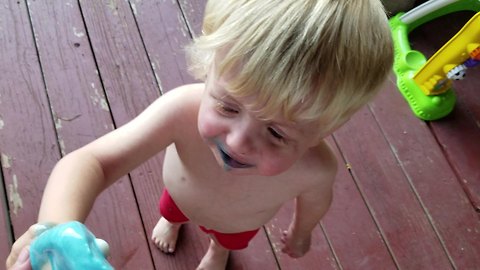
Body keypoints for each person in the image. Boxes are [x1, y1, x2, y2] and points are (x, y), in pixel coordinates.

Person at [6, 0, 393, 269]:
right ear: (209, 69)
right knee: (169, 211)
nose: (238, 142)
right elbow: (91, 161)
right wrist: (56, 229)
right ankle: (173, 223)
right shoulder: (181, 110)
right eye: (227, 106)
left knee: (228, 240)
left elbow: (314, 202)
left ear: (325, 130)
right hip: (180, 194)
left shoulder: (317, 168)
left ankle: (218, 252)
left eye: (276, 133)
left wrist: (301, 231)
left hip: (239, 223)